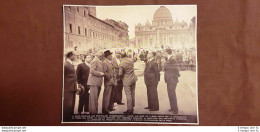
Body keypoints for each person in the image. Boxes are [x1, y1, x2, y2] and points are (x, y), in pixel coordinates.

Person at [164, 49, 181, 114]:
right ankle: (172, 107)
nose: (164, 53)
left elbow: (177, 68)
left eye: (165, 52)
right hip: (169, 79)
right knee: (170, 94)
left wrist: (176, 76)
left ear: (167, 52)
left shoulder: (172, 59)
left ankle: (175, 109)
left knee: (172, 94)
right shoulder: (169, 59)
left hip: (172, 79)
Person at [102, 50, 117, 114]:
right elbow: (104, 72)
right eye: (110, 55)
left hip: (112, 81)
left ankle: (110, 107)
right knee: (107, 95)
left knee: (111, 95)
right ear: (107, 56)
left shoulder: (110, 62)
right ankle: (105, 110)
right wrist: (109, 78)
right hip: (108, 81)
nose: (111, 56)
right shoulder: (105, 62)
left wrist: (114, 78)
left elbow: (113, 71)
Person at [63, 51, 77, 121]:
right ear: (70, 56)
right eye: (74, 55)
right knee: (68, 105)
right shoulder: (65, 64)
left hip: (73, 87)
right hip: (67, 88)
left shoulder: (71, 63)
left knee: (72, 105)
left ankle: (70, 118)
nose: (75, 56)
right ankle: (66, 119)